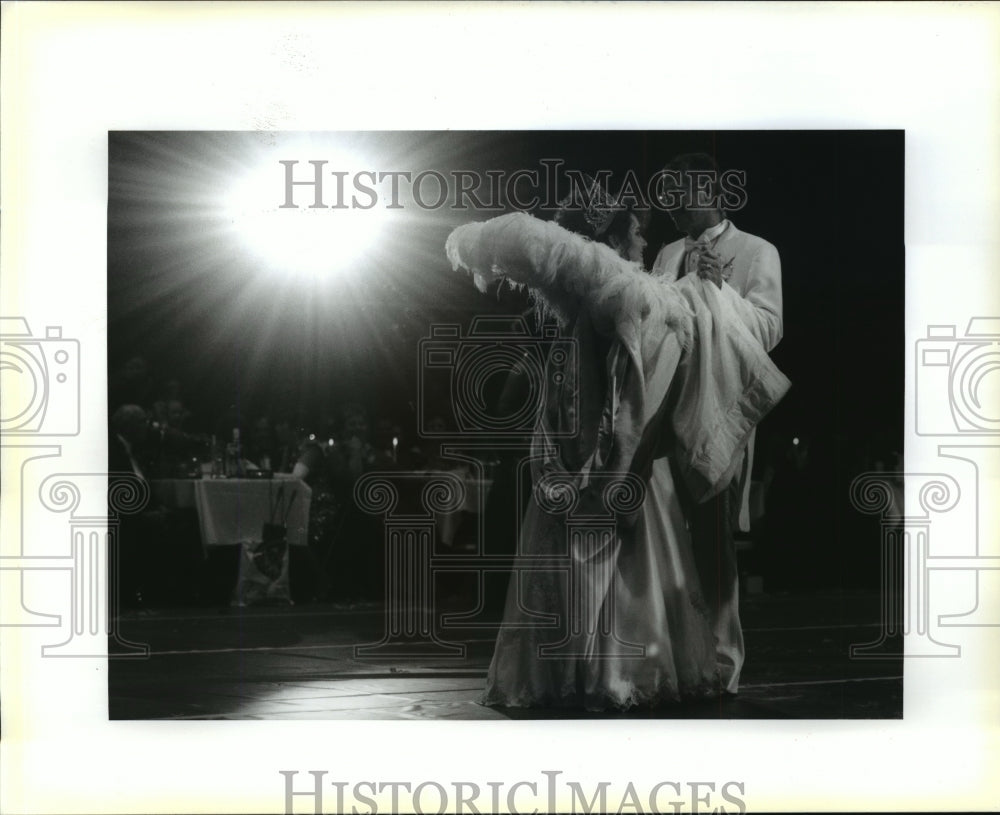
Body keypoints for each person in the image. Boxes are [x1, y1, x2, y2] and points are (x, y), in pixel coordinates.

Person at [446, 176, 790, 709]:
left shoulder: (726, 260)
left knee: (693, 551)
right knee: (628, 552)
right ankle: (608, 672)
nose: (644, 246)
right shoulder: (614, 285)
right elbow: (652, 313)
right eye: (634, 235)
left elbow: (707, 319)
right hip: (616, 440)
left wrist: (708, 290)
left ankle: (604, 668)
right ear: (608, 242)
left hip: (640, 432)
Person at [652, 152, 784, 694]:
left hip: (719, 406)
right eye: (668, 198)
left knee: (712, 537)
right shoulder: (665, 253)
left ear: (713, 193)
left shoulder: (756, 251)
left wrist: (720, 289)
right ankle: (681, 657)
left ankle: (724, 663)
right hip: (667, 408)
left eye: (683, 194)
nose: (675, 208)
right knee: (665, 537)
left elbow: (771, 328)